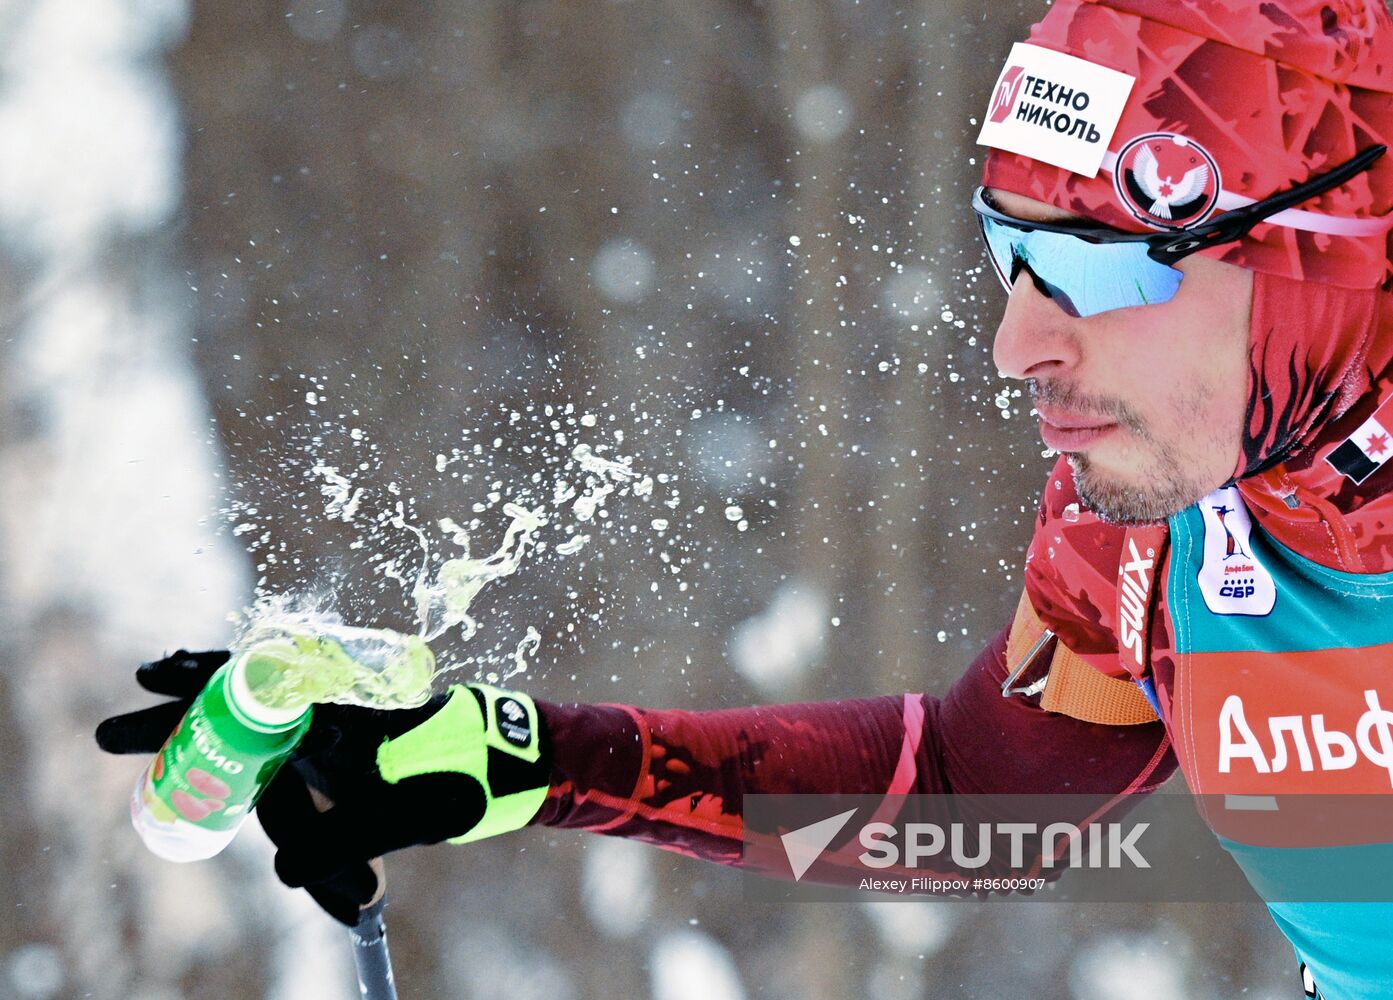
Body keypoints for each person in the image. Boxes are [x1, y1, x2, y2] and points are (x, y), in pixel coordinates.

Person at [98, 0, 1393, 995]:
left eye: (1091, 270)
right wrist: (543, 759)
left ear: (1329, 251)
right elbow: (979, 792)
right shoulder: (1166, 521)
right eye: (1007, 255)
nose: (1015, 346)